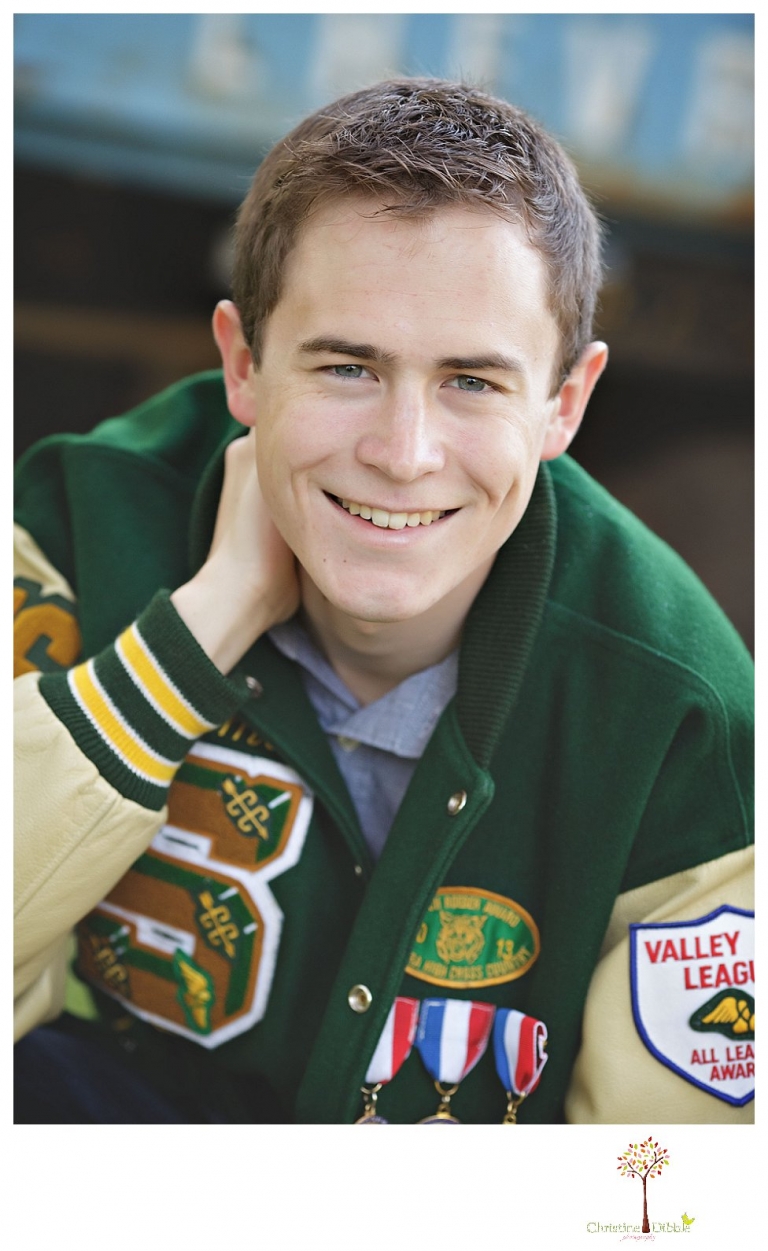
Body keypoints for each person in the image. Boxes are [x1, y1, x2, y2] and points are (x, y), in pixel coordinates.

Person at [14, 78, 753, 1124]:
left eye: (474, 383)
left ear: (565, 404)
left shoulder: (684, 717)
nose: (402, 456)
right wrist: (201, 625)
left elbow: (666, 1201)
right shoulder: (75, 526)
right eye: (349, 366)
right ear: (242, 364)